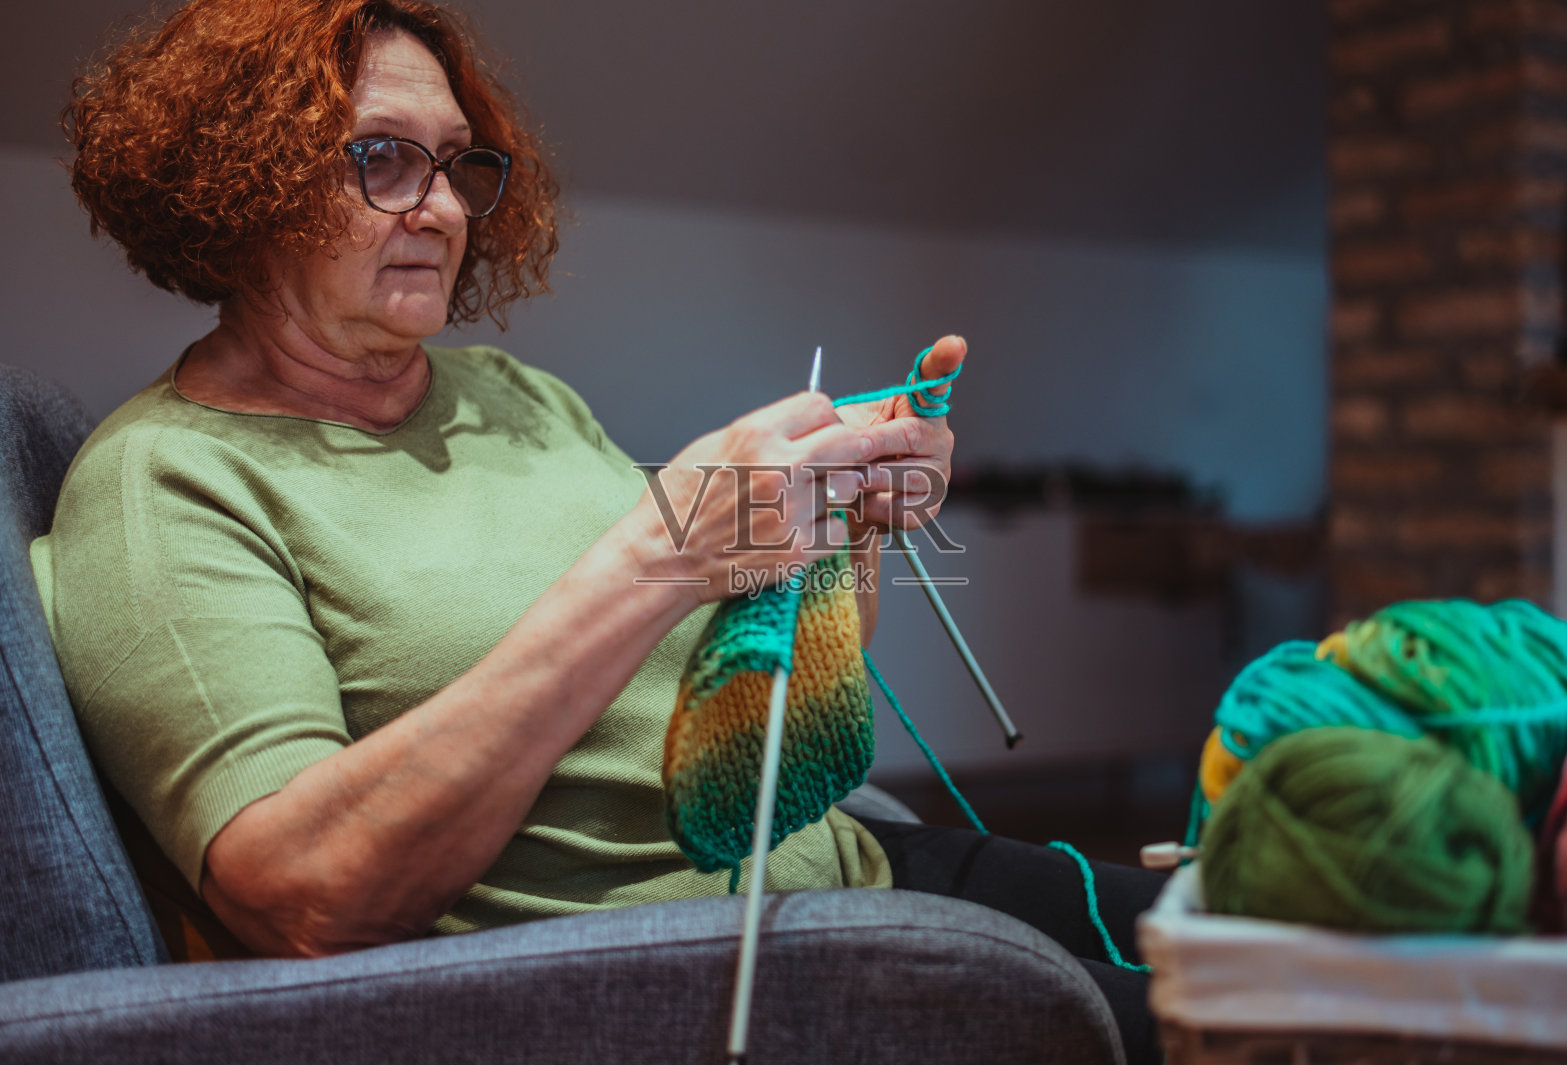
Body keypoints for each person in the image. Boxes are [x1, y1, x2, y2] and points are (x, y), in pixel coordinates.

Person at [39, 0, 1163, 1060]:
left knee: (1249, 925)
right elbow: (311, 900)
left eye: (456, 164)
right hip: (695, 967)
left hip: (855, 864)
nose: (441, 208)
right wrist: (660, 553)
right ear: (240, 180)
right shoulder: (163, 482)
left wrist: (849, 512)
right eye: (380, 159)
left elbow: (752, 672)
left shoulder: (511, 395)